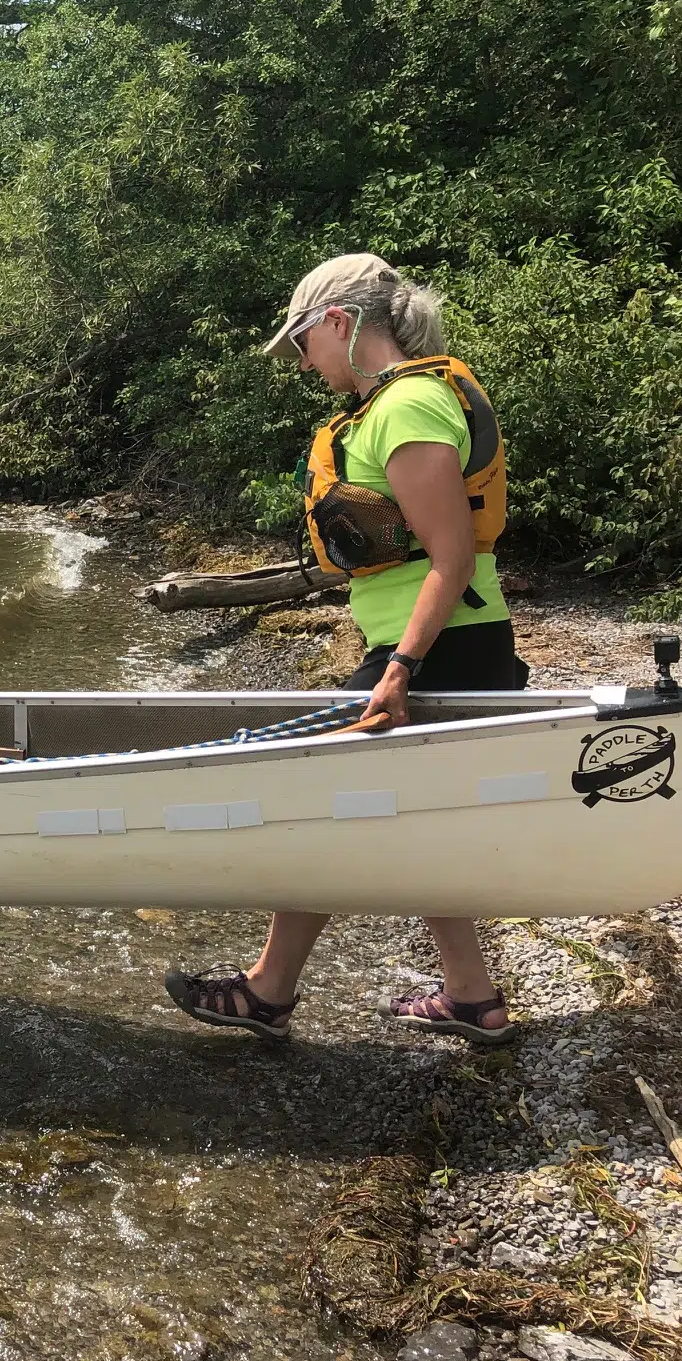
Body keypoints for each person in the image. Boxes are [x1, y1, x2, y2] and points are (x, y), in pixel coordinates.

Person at [163, 253, 526, 1045]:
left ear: (341, 323)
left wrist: (399, 667)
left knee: (326, 809)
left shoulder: (408, 407)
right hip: (440, 643)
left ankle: (269, 991)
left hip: (439, 648)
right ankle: (469, 997)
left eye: (303, 345)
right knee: (398, 819)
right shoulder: (387, 408)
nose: (303, 364)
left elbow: (451, 557)